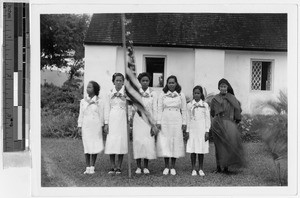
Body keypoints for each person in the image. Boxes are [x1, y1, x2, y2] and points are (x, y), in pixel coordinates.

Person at [210, 78, 244, 173]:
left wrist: (236, 121)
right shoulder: (215, 98)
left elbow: (238, 109)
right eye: (221, 86)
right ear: (218, 87)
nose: (223, 88)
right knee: (218, 146)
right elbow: (212, 111)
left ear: (227, 87)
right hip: (217, 123)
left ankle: (226, 167)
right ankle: (218, 167)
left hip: (229, 123)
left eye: (224, 86)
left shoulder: (232, 98)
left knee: (227, 145)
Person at [156, 75, 187, 175]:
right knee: (166, 142)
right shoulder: (163, 94)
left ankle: (172, 166)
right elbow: (159, 108)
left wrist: (184, 123)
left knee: (175, 142)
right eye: (169, 83)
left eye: (173, 82)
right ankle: (166, 166)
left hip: (177, 119)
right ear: (167, 84)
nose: (171, 84)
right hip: (165, 119)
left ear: (176, 83)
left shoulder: (180, 94)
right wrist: (159, 122)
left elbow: (184, 110)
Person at [132, 72, 157, 174]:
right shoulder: (136, 92)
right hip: (138, 119)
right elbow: (133, 105)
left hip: (149, 121)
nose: (145, 82)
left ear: (149, 81)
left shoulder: (153, 93)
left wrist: (154, 123)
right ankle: (138, 166)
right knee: (138, 141)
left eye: (147, 80)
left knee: (147, 142)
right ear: (140, 81)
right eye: (143, 81)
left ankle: (146, 166)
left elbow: (155, 108)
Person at [78, 81, 104, 174]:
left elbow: (101, 115)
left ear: (95, 89)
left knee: (94, 145)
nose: (87, 89)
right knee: (87, 145)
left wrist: (102, 126)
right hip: (86, 126)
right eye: (87, 87)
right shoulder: (83, 101)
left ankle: (92, 166)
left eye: (90, 87)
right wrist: (80, 126)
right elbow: (81, 114)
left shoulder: (99, 101)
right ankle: (87, 166)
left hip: (96, 126)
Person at [104, 73, 127, 174]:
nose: (118, 82)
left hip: (122, 118)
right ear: (113, 81)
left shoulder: (126, 94)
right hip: (112, 117)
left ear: (123, 82)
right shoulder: (109, 93)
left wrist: (129, 118)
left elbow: (129, 107)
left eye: (120, 80)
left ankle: (119, 166)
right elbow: (106, 108)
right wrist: (106, 123)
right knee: (112, 141)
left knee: (120, 141)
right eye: (116, 80)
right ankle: (112, 166)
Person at [186, 85, 211, 176]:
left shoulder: (205, 105)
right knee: (193, 149)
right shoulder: (189, 105)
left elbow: (207, 119)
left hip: (201, 129)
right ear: (193, 94)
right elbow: (188, 118)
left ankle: (200, 168)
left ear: (201, 94)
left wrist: (207, 131)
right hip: (192, 129)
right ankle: (193, 168)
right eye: (195, 93)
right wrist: (187, 131)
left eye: (198, 93)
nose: (196, 95)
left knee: (201, 149)